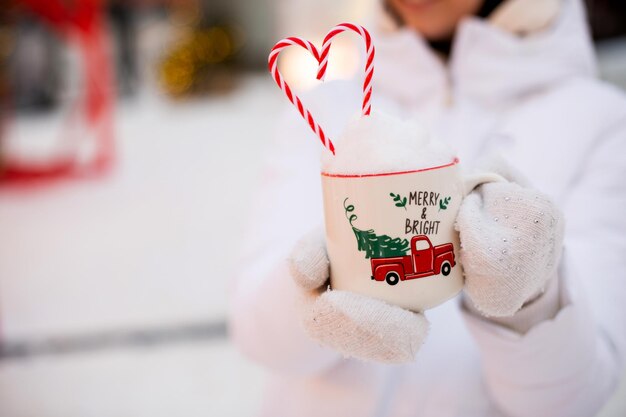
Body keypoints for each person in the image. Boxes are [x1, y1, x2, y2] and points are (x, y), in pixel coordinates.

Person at [230, 0, 626, 415]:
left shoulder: (599, 123)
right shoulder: (323, 111)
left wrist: (531, 300)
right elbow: (257, 336)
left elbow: (571, 398)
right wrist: (307, 296)